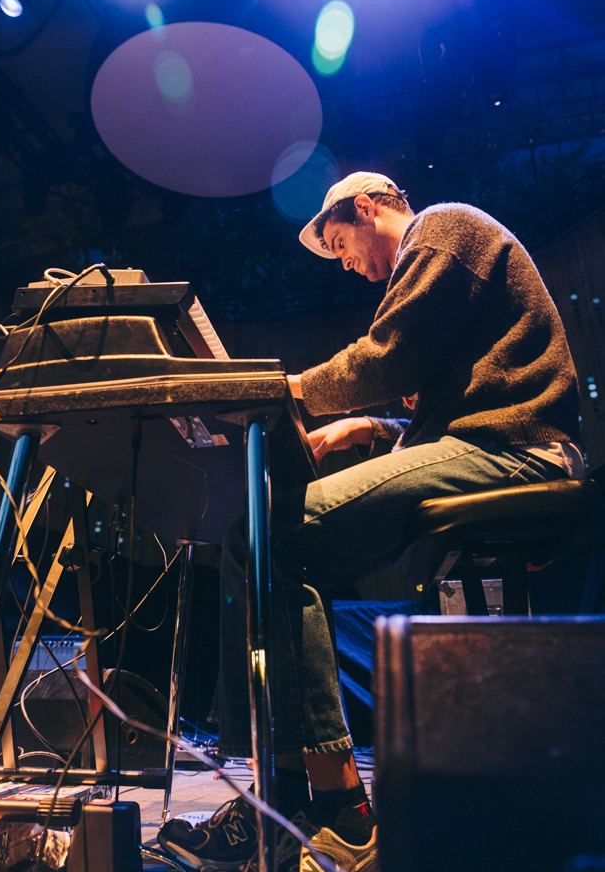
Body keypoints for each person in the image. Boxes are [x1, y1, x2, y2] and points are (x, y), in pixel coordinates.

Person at [157, 172, 583, 872]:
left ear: (365, 208)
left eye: (340, 245)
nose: (347, 265)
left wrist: (284, 390)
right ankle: (284, 799)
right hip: (497, 445)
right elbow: (455, 404)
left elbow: (386, 359)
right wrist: (371, 428)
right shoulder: (438, 261)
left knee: (268, 541)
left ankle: (340, 810)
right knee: (260, 541)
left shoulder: (444, 228)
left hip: (518, 452)